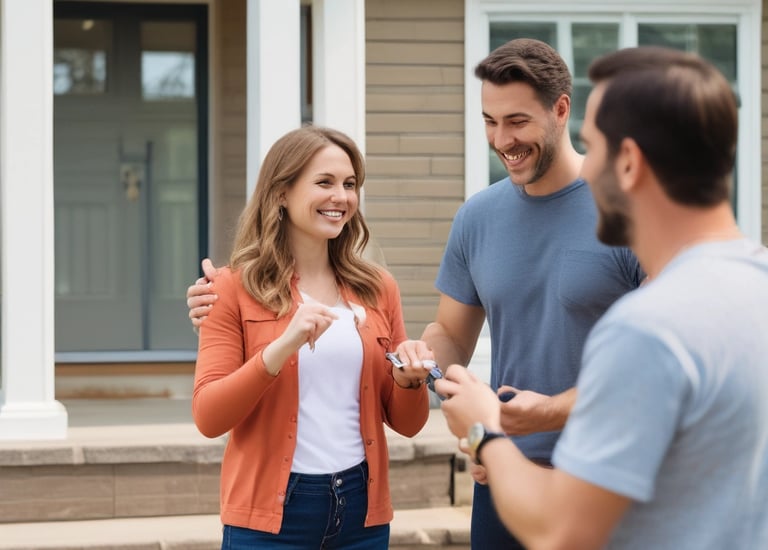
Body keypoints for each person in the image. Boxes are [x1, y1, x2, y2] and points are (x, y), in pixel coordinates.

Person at [187, 39, 643, 549]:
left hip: (611, 469)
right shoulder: (479, 217)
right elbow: (449, 335)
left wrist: (549, 412)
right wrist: (415, 365)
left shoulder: (631, 212)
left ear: (562, 109)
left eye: (516, 121)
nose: (502, 139)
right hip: (501, 469)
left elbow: (658, 370)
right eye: (490, 121)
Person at [436, 45, 768, 549]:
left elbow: (560, 530)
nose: (586, 171)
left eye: (595, 146)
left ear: (629, 162)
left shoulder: (648, 328)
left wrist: (486, 432)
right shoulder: (755, 281)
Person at [192, 125, 434, 549]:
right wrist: (283, 345)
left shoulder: (379, 288)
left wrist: (409, 379)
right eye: (324, 182)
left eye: (349, 184)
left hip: (362, 511)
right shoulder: (230, 288)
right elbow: (209, 417)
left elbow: (408, 424)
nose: (340, 197)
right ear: (281, 192)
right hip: (269, 518)